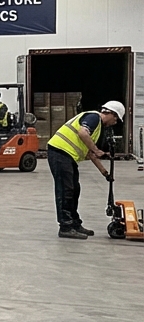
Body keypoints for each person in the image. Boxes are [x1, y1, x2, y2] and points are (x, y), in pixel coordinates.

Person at [47, 101, 124, 239]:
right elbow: (82, 133)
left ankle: (75, 223)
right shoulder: (94, 117)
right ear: (110, 113)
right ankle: (65, 227)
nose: (115, 122)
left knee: (75, 189)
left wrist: (105, 173)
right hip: (59, 152)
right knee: (66, 190)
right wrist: (97, 149)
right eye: (116, 118)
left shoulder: (98, 128)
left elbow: (90, 153)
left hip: (67, 156)